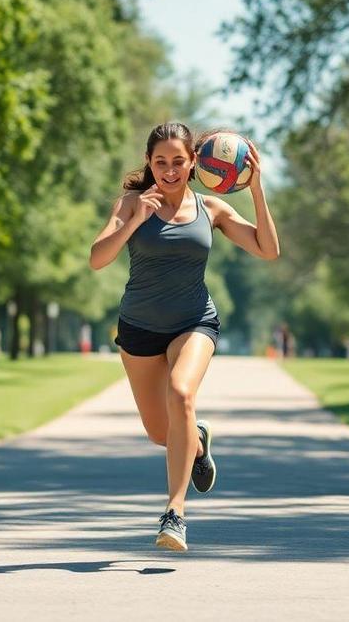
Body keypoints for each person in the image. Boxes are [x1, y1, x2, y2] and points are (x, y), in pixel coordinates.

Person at [89, 122, 279, 551]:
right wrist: (134, 220)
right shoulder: (132, 203)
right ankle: (197, 442)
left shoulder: (210, 209)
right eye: (160, 162)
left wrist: (256, 189)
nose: (169, 170)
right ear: (149, 163)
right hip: (138, 328)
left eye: (178, 161)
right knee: (163, 432)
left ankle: (175, 513)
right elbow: (97, 259)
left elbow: (268, 250)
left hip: (194, 321)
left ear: (194, 162)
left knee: (181, 393)